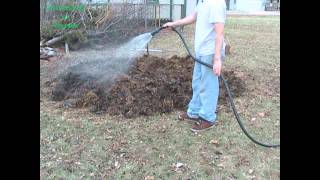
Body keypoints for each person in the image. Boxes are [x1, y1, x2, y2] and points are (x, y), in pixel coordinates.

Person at [163, 0, 227, 132]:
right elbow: (193, 17)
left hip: (210, 51)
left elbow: (219, 34)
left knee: (208, 85)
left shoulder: (215, 4)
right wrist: (173, 24)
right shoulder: (203, 2)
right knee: (197, 82)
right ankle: (194, 111)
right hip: (201, 50)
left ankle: (208, 118)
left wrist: (217, 59)